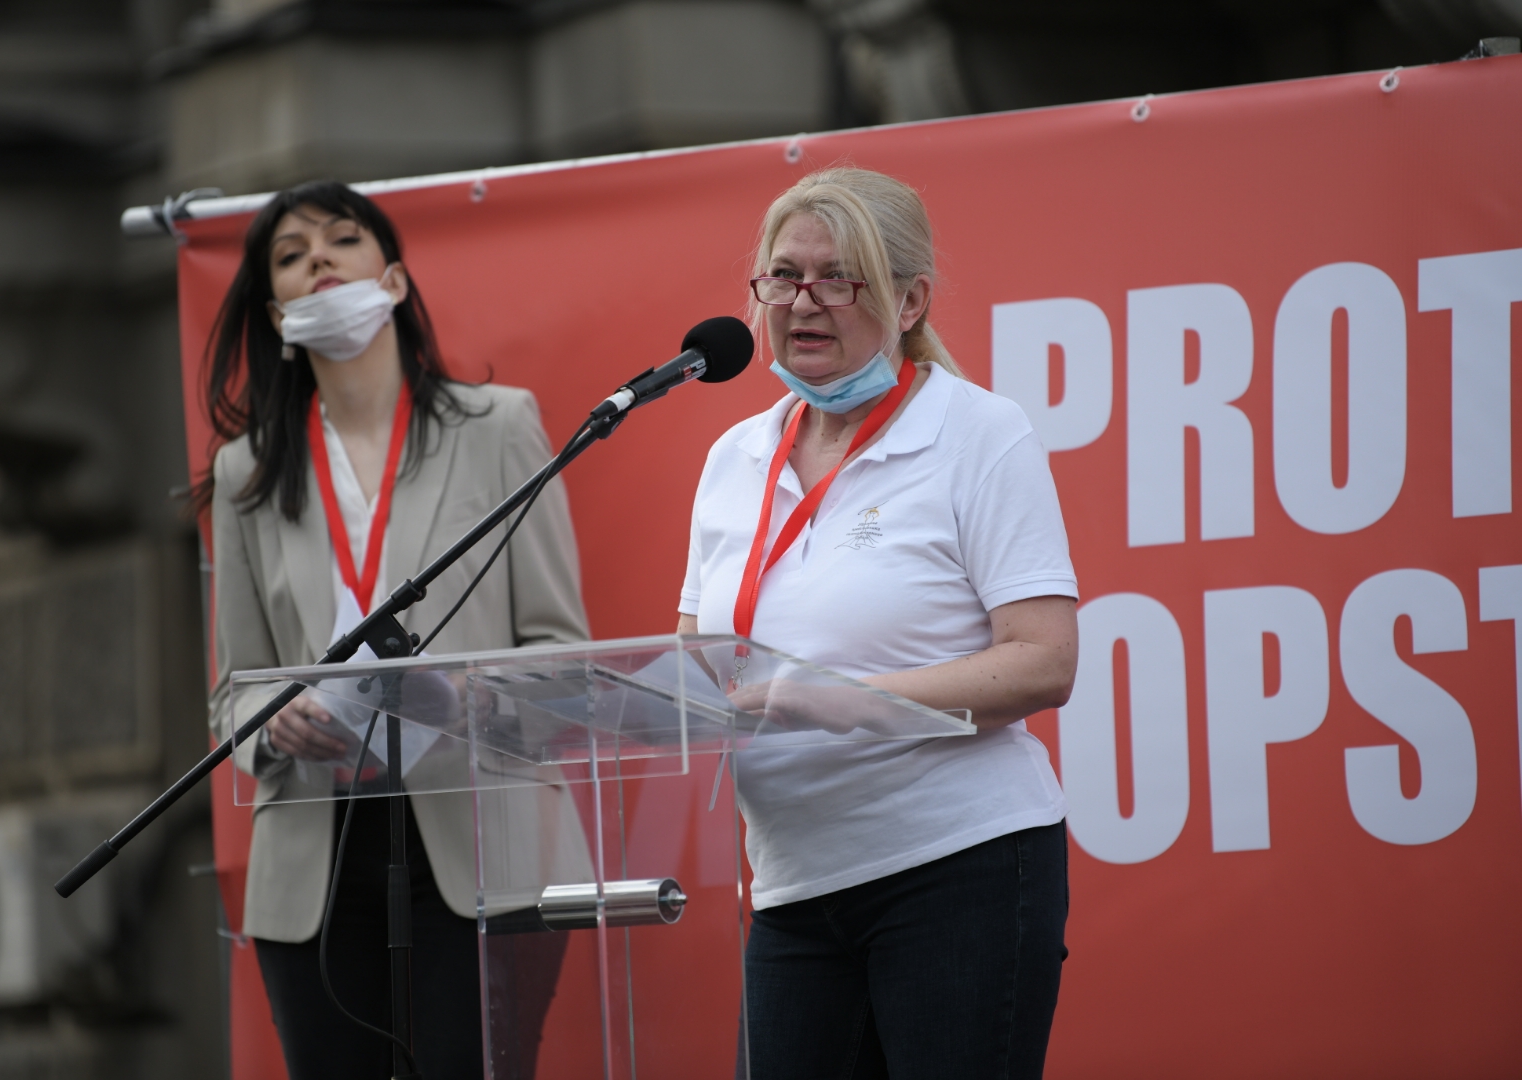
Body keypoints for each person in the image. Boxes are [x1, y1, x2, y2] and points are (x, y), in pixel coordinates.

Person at [676, 168, 1079, 1079]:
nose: (803, 301)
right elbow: (697, 654)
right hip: (791, 884)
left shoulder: (978, 433)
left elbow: (1043, 662)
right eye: (784, 276)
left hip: (958, 867)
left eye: (838, 277)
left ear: (909, 301)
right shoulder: (735, 457)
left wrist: (841, 700)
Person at [199, 180, 588, 1080]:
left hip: (480, 838)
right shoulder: (246, 472)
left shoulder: (497, 426)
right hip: (318, 858)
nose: (319, 259)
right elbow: (234, 692)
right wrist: (273, 721)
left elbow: (562, 650)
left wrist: (470, 695)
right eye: (291, 255)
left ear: (396, 280)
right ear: (277, 312)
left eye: (342, 239)